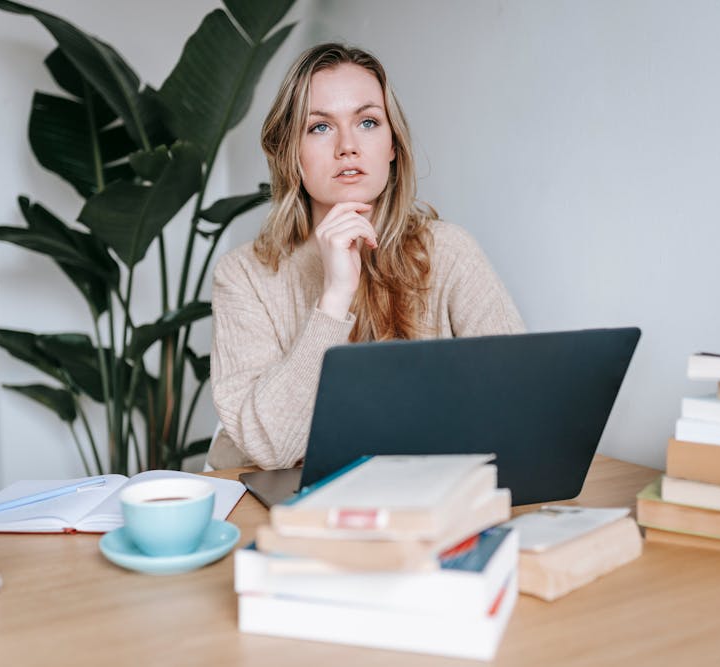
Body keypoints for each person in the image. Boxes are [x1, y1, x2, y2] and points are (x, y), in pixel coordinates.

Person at [208, 43, 524, 470]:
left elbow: (520, 401)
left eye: (368, 122)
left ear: (392, 145)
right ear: (290, 153)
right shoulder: (244, 274)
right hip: (287, 510)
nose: (347, 146)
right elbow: (271, 449)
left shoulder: (449, 251)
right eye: (319, 127)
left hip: (420, 499)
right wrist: (335, 297)